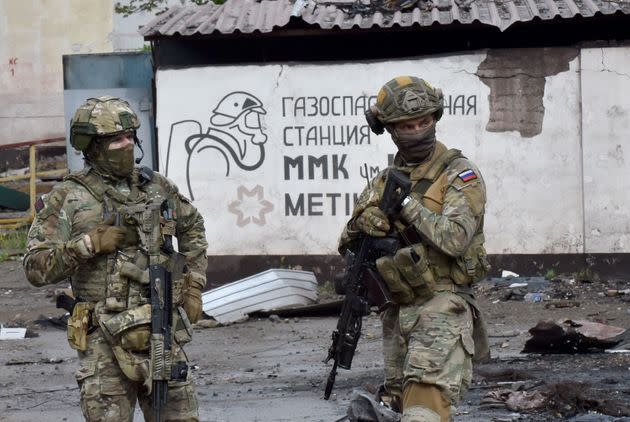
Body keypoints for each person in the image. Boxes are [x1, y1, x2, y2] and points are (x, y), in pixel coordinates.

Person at [23, 96, 208, 422]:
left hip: (162, 331)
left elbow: (193, 228)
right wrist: (87, 245)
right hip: (104, 343)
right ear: (91, 146)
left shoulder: (157, 188)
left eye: (129, 137)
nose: (125, 145)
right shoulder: (69, 198)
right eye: (115, 140)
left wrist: (193, 285)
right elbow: (35, 267)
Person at [338, 76, 490, 422]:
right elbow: (346, 244)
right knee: (398, 407)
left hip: (443, 307)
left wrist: (406, 203)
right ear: (389, 129)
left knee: (425, 410)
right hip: (397, 313)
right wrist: (361, 224)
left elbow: (455, 238)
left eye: (425, 121)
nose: (419, 130)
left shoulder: (460, 174)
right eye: (408, 125)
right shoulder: (381, 181)